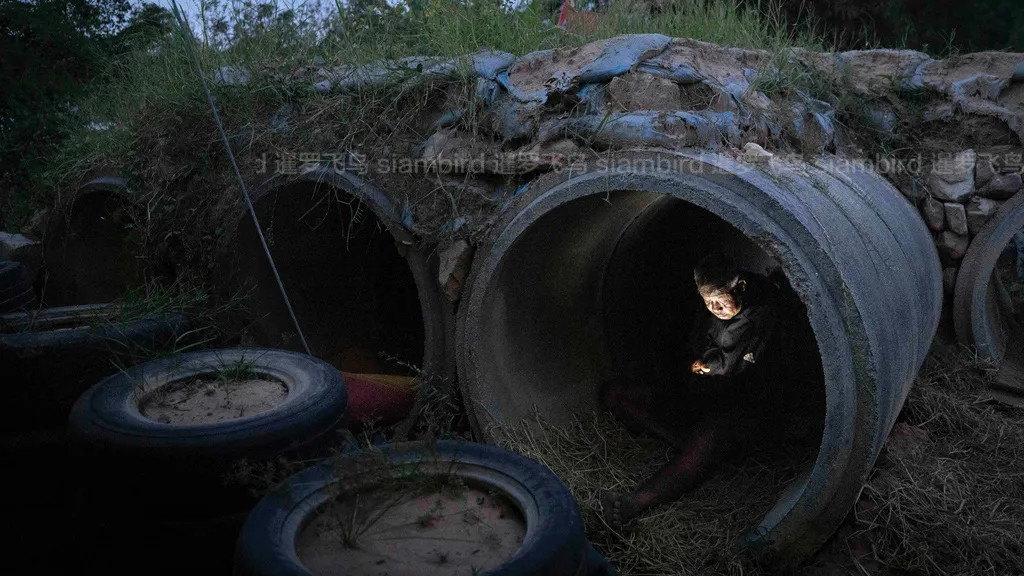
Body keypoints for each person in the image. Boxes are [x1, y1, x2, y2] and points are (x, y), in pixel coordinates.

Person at [599, 253, 787, 529]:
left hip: (737, 410)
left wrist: (712, 370)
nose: (714, 307)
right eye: (707, 301)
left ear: (740, 286)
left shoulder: (765, 313)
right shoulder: (704, 311)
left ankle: (633, 503)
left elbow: (757, 376)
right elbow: (682, 351)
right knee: (616, 395)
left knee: (709, 441)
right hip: (695, 398)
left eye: (720, 300)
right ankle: (685, 442)